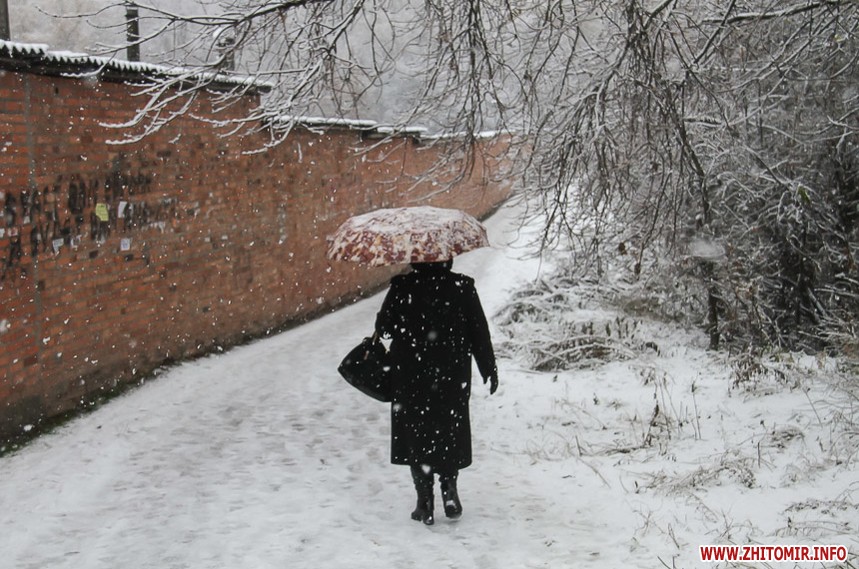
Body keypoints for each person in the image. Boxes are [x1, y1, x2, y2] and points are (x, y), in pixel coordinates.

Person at [375, 259, 498, 526]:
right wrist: (488, 368)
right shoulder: (461, 287)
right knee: (448, 430)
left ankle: (425, 501)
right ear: (448, 259)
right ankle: (449, 488)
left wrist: (403, 323)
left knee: (416, 435)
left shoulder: (403, 287)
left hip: (411, 377)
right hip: (451, 376)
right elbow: (479, 331)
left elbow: (383, 328)